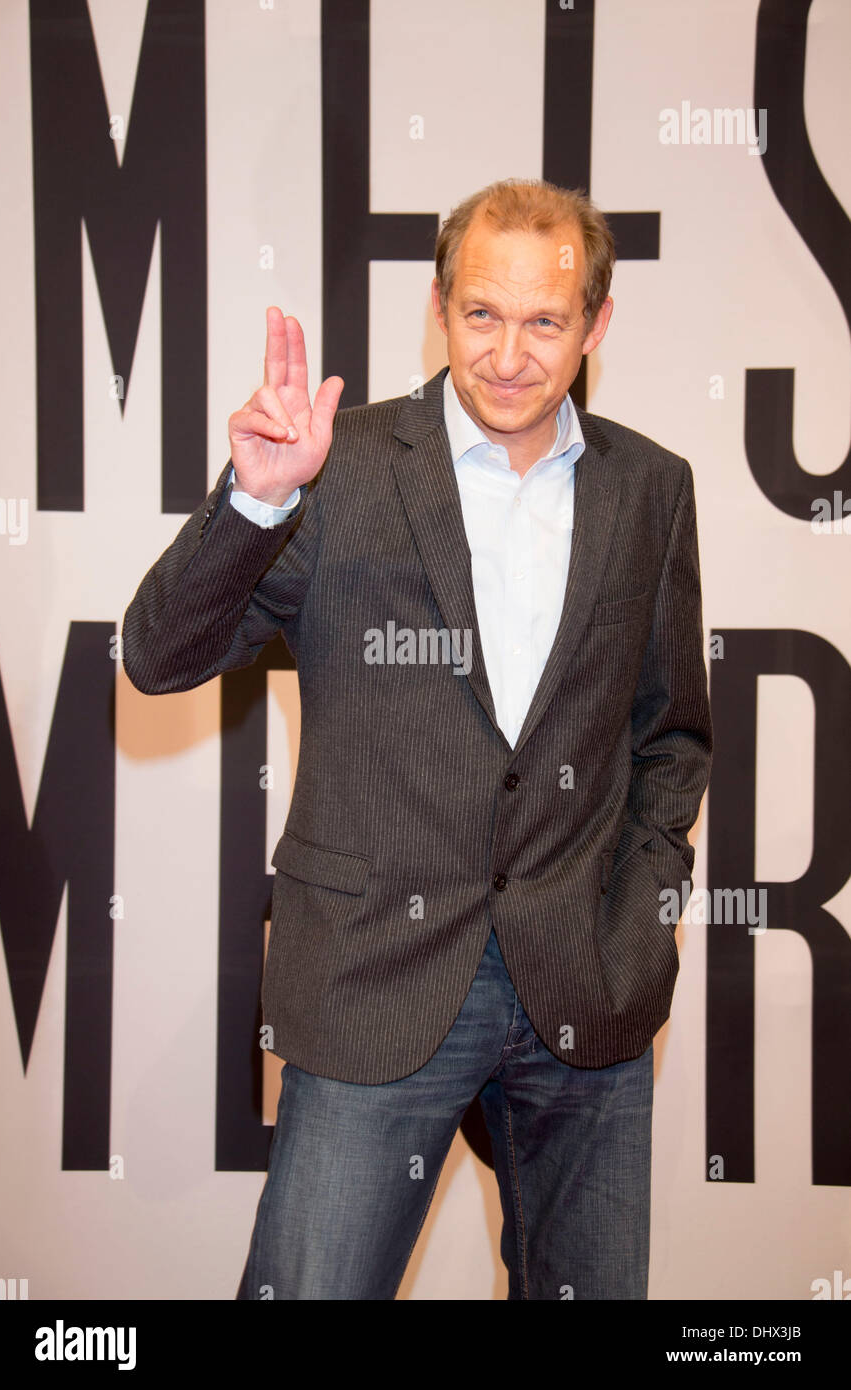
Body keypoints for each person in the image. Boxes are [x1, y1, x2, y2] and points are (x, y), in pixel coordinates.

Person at [122, 178, 712, 1300]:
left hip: (584, 985)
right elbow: (157, 656)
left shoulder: (650, 490)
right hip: (372, 982)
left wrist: (638, 909)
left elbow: (669, 734)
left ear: (595, 321)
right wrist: (251, 505)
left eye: (544, 321)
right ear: (438, 307)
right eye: (481, 313)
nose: (507, 354)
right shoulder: (331, 467)